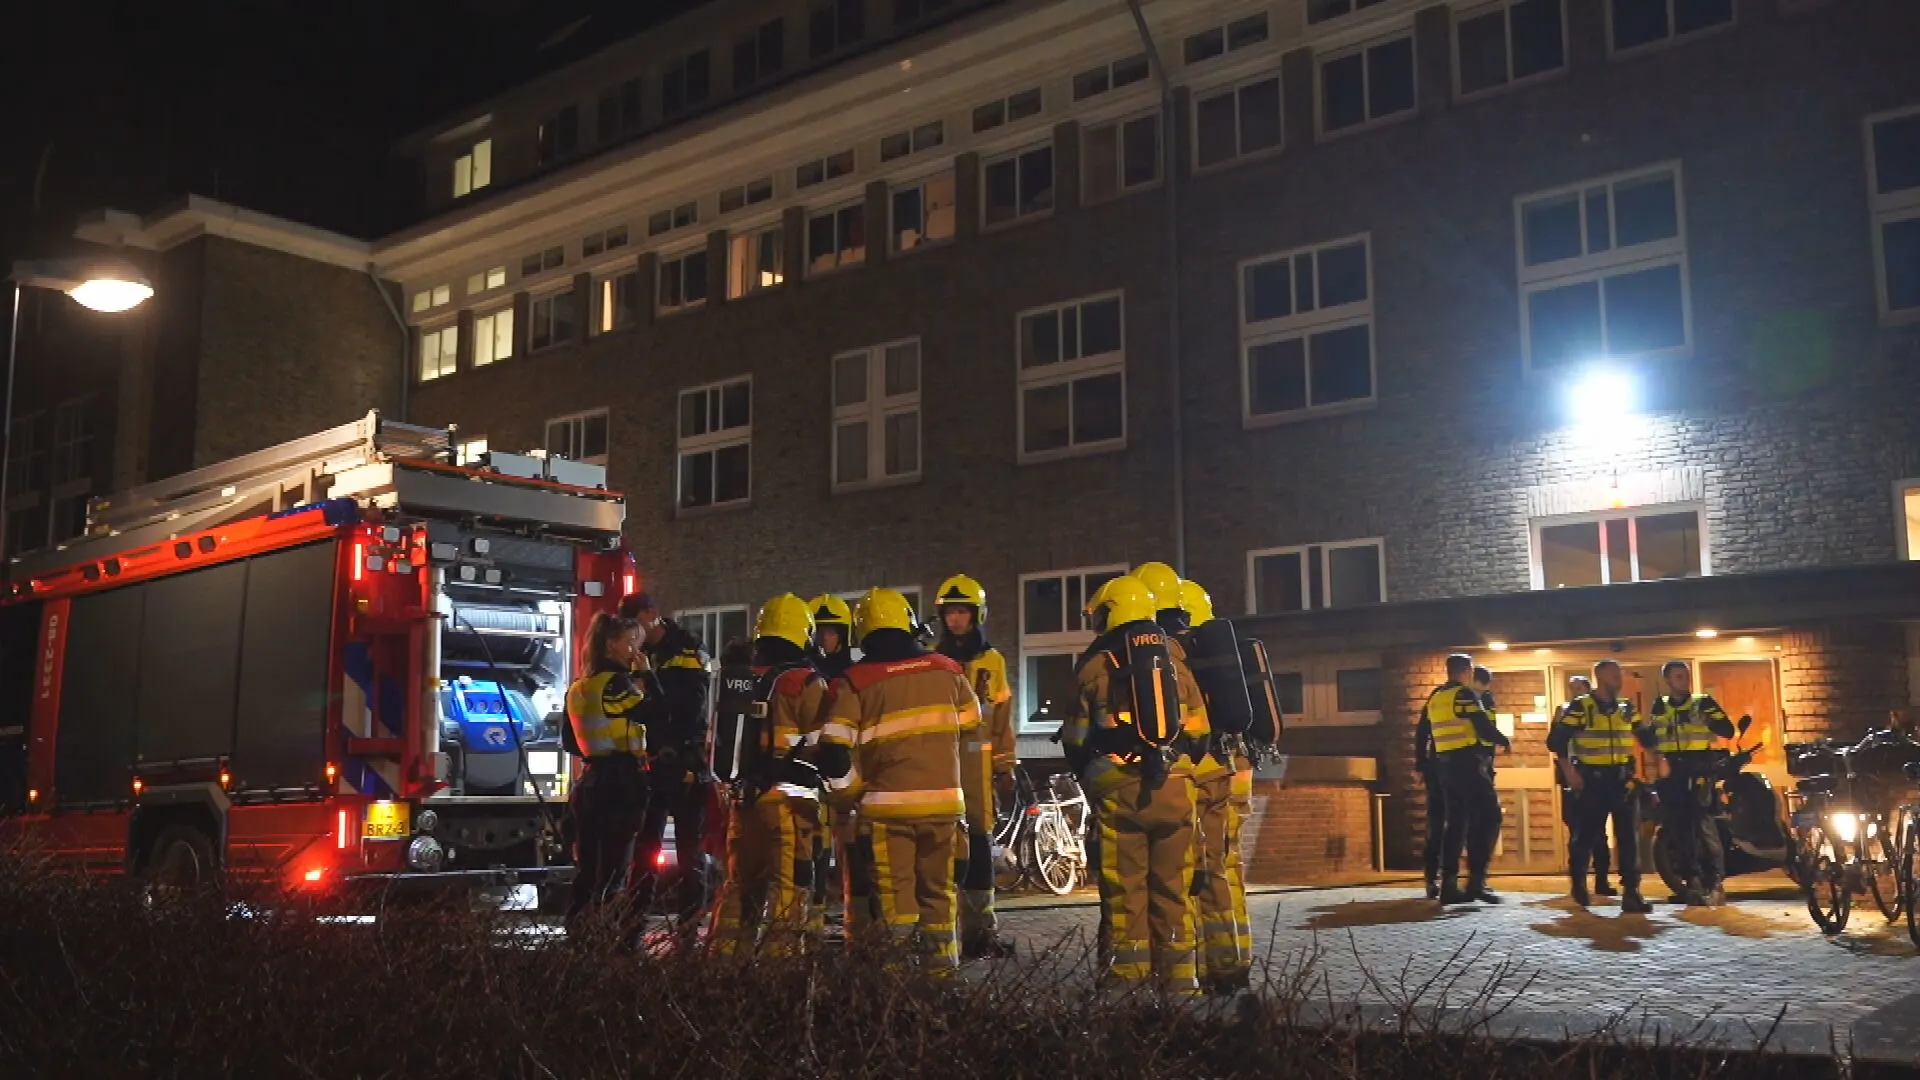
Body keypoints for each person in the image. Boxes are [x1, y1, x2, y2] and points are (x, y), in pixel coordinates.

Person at [820, 587, 979, 970]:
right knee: (940, 896)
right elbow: (973, 724)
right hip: (944, 806)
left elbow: (833, 751)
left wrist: (851, 795)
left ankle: (898, 988)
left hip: (888, 811)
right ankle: (944, 979)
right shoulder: (948, 670)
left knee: (897, 901)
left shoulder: (854, 680)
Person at [1062, 574, 1206, 994]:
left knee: (1126, 893)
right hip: (1177, 789)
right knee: (1174, 891)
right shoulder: (1176, 662)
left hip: (1120, 790)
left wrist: (1090, 773)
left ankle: (1127, 983)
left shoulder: (1094, 667)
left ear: (1111, 613)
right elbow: (1200, 734)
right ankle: (1180, 984)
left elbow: (1075, 738)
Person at [710, 594, 831, 956]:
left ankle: (722, 965)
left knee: (739, 887)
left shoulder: (741, 678)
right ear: (803, 633)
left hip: (744, 801)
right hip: (790, 807)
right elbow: (824, 743)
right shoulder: (806, 682)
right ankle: (779, 976)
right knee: (788, 888)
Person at [1170, 576, 1254, 996]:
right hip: (1230, 771)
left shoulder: (1178, 662)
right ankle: (1232, 960)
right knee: (1226, 870)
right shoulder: (1216, 653)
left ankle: (1209, 965)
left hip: (1201, 775)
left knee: (1196, 873)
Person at [931, 573, 1018, 960]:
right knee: (943, 853)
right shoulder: (934, 661)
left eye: (962, 612)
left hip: (978, 772)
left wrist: (1005, 767)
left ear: (976, 614)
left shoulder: (992, 662)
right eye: (950, 612)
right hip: (941, 768)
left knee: (980, 851)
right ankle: (941, 932)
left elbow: (1002, 720)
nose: (955, 620)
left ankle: (980, 932)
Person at [622, 593, 714, 924]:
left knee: (690, 851)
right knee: (645, 848)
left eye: (637, 624)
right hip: (652, 762)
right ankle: (633, 924)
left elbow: (689, 707)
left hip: (684, 759)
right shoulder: (639, 652)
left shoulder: (687, 647)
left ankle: (690, 928)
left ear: (652, 614)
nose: (635, 633)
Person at [564, 613, 651, 934]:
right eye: (630, 643)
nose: (634, 651)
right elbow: (656, 714)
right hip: (622, 782)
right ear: (611, 644)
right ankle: (606, 939)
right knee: (616, 869)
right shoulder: (618, 683)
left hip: (590, 782)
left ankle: (577, 934)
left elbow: (568, 741)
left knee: (588, 870)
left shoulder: (579, 686)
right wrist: (647, 676)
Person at [1549, 660, 1653, 913]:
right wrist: (1569, 772)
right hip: (1593, 781)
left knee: (1628, 838)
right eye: (1614, 673)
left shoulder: (1625, 707)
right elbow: (1556, 741)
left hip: (1622, 781)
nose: (1619, 678)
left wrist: (1658, 757)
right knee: (1586, 836)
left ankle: (1632, 892)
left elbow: (1645, 736)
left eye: (1619, 673)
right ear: (1600, 676)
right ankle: (1579, 883)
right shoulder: (1581, 706)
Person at [1416, 653, 1510, 905]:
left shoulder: (1437, 697)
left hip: (1444, 768)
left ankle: (1449, 884)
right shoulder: (1464, 694)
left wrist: (1421, 764)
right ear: (1467, 670)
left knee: (1456, 823)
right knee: (1491, 817)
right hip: (1468, 765)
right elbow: (1482, 726)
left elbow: (1422, 731)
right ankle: (1476, 882)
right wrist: (1503, 740)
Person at [1640, 660, 1736, 906]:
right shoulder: (1660, 705)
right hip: (1672, 771)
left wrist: (1708, 719)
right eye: (1678, 677)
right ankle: (1692, 881)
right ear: (1668, 681)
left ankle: (1716, 881)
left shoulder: (1702, 702)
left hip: (1699, 767)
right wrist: (1658, 756)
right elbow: (1654, 736)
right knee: (1680, 827)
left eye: (1686, 676)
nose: (1684, 680)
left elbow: (1727, 730)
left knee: (1703, 824)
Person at [805, 593, 856, 931]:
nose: (826, 638)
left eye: (832, 632)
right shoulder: (806, 672)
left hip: (847, 766)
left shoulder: (854, 672)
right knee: (816, 847)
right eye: (820, 632)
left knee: (852, 845)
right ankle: (815, 912)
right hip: (813, 767)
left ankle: (856, 914)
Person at [1555, 676, 1614, 897]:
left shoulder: (1597, 710)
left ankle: (1601, 879)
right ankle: (1579, 882)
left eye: (1579, 688)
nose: (1575, 692)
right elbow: (1554, 742)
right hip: (1572, 779)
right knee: (1578, 831)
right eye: (1572, 688)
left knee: (1599, 833)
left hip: (1594, 777)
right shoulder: (1563, 711)